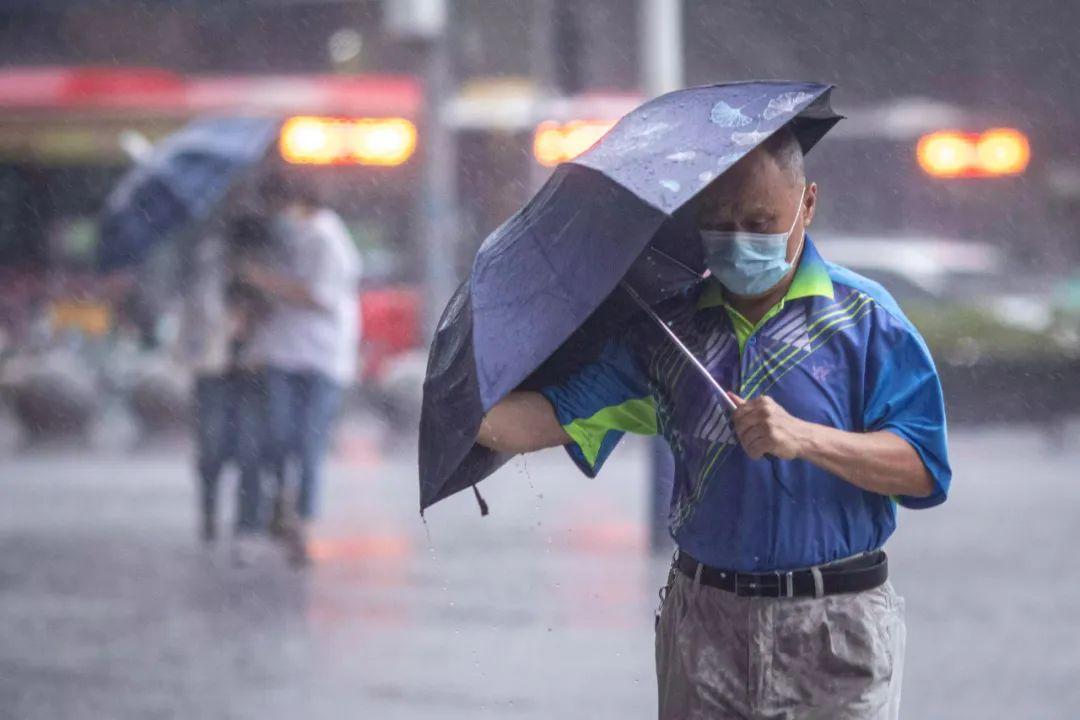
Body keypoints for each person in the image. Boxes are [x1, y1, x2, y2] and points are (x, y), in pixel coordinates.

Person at [475, 127, 951, 719]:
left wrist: (805, 439)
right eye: (721, 223)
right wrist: (463, 412)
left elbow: (925, 470)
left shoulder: (868, 323)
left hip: (835, 625)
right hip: (703, 623)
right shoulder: (668, 333)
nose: (738, 241)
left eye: (758, 222)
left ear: (807, 204)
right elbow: (550, 417)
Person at [239, 173, 361, 566]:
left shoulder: (326, 239)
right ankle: (282, 503)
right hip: (281, 354)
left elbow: (319, 296)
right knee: (278, 435)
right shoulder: (283, 240)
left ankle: (301, 522)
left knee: (307, 443)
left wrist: (264, 280)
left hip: (322, 358)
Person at [175, 214, 274, 551]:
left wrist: (255, 312)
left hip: (254, 369)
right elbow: (197, 314)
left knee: (251, 449)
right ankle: (209, 515)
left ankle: (248, 522)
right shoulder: (209, 265)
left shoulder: (269, 268)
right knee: (211, 447)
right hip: (214, 368)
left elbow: (280, 316)